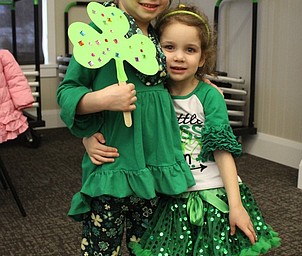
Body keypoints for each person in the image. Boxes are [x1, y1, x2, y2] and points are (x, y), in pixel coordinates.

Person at [84, 4, 281, 255]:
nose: (178, 57)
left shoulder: (209, 96)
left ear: (202, 58)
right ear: (154, 50)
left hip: (212, 194)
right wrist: (87, 136)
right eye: (169, 48)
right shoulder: (154, 91)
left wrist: (235, 204)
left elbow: (222, 151)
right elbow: (118, 119)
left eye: (190, 50)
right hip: (169, 195)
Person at [56, 1, 196, 255]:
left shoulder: (160, 35)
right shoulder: (100, 31)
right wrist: (100, 101)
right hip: (113, 169)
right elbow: (67, 91)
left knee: (150, 248)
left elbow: (178, 77)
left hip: (156, 169)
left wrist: (204, 86)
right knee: (102, 249)